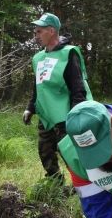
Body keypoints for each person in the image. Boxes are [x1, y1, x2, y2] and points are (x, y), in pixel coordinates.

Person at [23, 12, 92, 179]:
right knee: (45, 151)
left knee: (70, 154)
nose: (35, 36)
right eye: (35, 32)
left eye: (39, 32)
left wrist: (77, 115)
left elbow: (78, 87)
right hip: (46, 116)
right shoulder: (38, 58)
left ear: (52, 31)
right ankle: (55, 182)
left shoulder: (68, 54)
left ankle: (83, 185)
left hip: (65, 116)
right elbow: (38, 86)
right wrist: (30, 108)